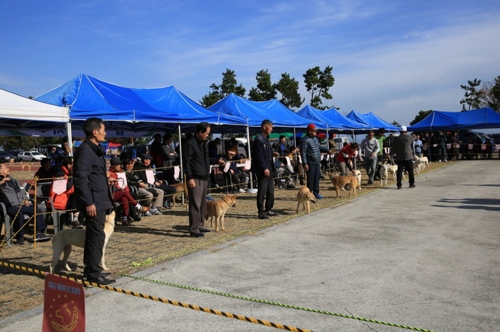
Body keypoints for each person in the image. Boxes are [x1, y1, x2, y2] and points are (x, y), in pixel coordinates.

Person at [73, 117, 115, 286]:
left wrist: (106, 180)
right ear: (95, 131)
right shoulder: (85, 151)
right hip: (94, 202)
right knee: (95, 237)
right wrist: (89, 202)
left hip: (101, 198)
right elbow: (80, 179)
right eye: (103, 129)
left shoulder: (96, 149)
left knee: (95, 237)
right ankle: (93, 273)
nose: (105, 133)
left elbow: (93, 175)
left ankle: (91, 269)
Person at [0, 162, 51, 245]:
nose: (8, 169)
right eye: (6, 168)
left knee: (36, 210)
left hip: (20, 204)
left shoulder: (12, 179)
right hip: (9, 206)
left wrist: (25, 199)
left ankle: (39, 233)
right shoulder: (1, 180)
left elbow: (20, 191)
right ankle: (20, 237)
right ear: (0, 171)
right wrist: (2, 181)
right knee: (18, 214)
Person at [183, 122, 213, 237]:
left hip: (204, 176)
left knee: (202, 203)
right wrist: (189, 177)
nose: (207, 136)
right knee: (195, 203)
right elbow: (187, 162)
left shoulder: (204, 143)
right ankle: (194, 228)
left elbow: (205, 159)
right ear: (200, 132)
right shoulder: (190, 144)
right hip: (195, 177)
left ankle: (200, 224)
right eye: (206, 133)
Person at [108, 157, 146, 225]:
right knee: (125, 193)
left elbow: (126, 181)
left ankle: (125, 218)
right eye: (117, 164)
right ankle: (137, 206)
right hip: (111, 193)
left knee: (125, 198)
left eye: (120, 164)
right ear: (112, 165)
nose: (119, 166)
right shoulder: (109, 173)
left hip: (121, 191)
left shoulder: (122, 172)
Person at [251, 119, 277, 220]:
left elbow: (265, 153)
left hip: (269, 166)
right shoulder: (259, 139)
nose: (272, 129)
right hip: (263, 168)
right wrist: (264, 167)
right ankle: (261, 211)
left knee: (270, 191)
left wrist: (272, 154)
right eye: (270, 127)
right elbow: (259, 156)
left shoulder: (265, 139)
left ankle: (268, 209)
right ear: (265, 127)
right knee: (262, 190)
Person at [49, 156, 82, 228]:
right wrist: (73, 175)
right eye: (73, 163)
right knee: (76, 199)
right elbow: (67, 187)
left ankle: (75, 220)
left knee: (78, 198)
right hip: (58, 199)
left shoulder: (68, 172)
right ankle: (73, 220)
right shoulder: (60, 173)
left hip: (66, 197)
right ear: (68, 165)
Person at [301, 123, 328, 199]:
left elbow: (319, 147)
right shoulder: (305, 140)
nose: (315, 132)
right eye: (314, 131)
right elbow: (303, 152)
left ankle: (316, 193)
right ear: (309, 131)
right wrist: (305, 163)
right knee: (311, 179)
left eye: (316, 131)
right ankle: (309, 194)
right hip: (310, 162)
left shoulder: (315, 139)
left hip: (317, 161)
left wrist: (327, 150)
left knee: (317, 178)